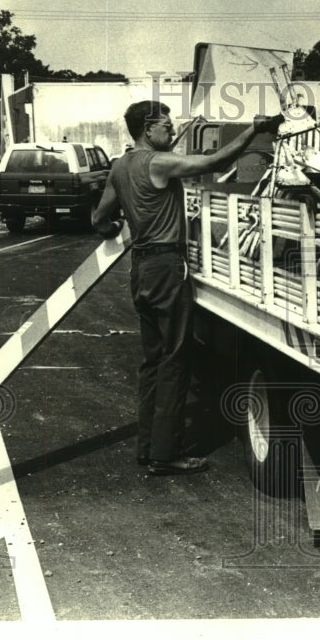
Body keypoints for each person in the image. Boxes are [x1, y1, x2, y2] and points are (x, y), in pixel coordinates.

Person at [93, 100, 284, 475]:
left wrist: (114, 229)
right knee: (175, 361)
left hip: (141, 268)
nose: (170, 128)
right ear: (148, 128)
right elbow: (213, 163)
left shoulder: (120, 166)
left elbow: (100, 217)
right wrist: (255, 130)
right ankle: (166, 455)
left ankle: (147, 448)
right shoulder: (159, 164)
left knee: (152, 361)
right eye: (166, 124)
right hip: (167, 267)